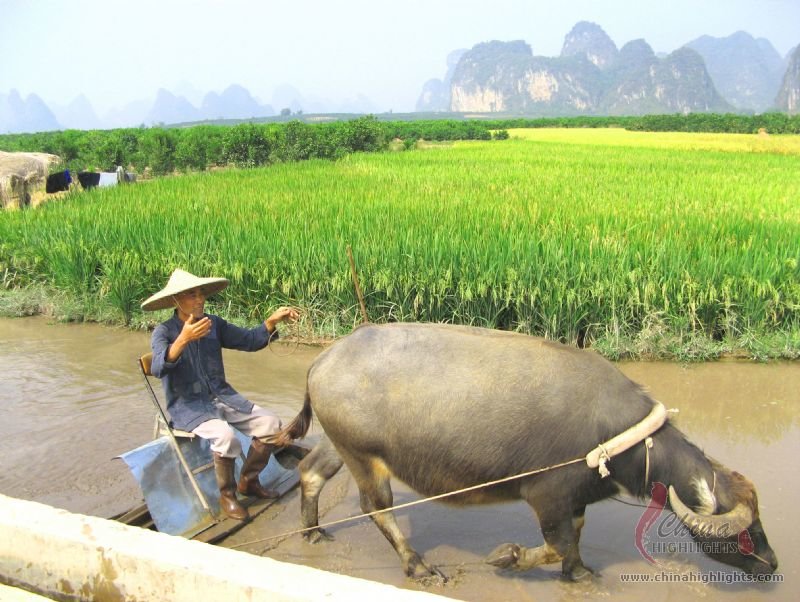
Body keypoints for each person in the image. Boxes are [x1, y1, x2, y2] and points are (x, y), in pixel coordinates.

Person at [141, 268, 299, 520]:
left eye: (201, 294)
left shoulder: (214, 325)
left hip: (222, 397)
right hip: (188, 407)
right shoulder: (164, 332)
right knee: (227, 437)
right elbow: (159, 367)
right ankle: (228, 495)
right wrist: (183, 339)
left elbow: (248, 340)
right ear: (176, 300)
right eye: (191, 295)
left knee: (271, 424)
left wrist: (271, 322)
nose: (199, 299)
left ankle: (249, 481)